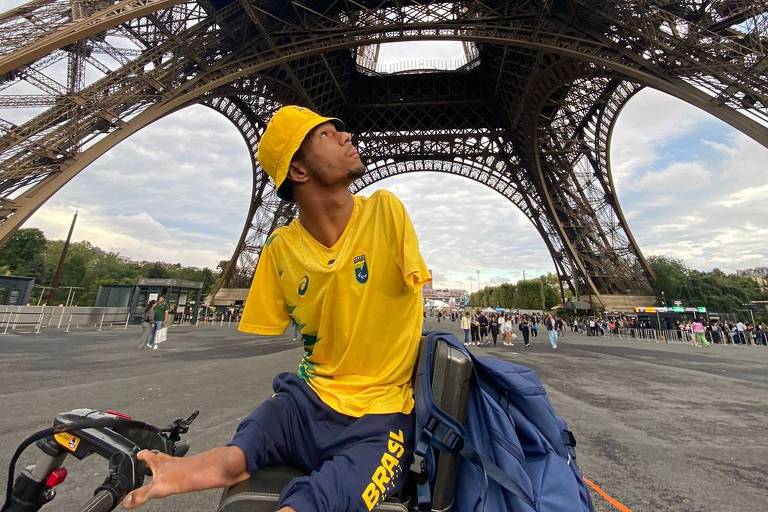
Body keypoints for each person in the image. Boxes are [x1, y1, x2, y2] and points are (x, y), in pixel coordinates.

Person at [122, 106, 431, 511]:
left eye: (340, 128)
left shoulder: (386, 212)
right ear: (299, 171)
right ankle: (184, 469)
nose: (346, 135)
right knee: (246, 444)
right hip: (306, 401)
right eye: (326, 134)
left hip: (381, 416)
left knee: (322, 500)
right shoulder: (279, 249)